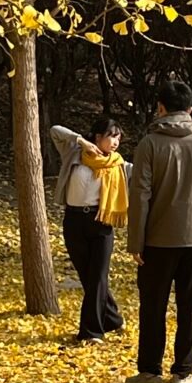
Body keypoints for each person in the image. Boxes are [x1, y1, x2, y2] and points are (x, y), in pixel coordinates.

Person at [126, 80, 192, 383]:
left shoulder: (150, 144)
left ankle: (149, 369)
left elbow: (139, 195)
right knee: (190, 304)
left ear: (160, 108)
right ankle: (184, 372)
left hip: (157, 239)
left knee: (153, 304)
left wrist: (136, 241)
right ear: (190, 109)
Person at [50, 117, 132, 343]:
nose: (116, 142)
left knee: (97, 277)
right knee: (88, 277)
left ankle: (91, 332)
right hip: (74, 221)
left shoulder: (120, 166)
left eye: (118, 137)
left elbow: (148, 176)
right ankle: (113, 319)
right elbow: (55, 130)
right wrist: (81, 142)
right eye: (111, 136)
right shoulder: (75, 153)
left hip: (101, 224)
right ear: (97, 137)